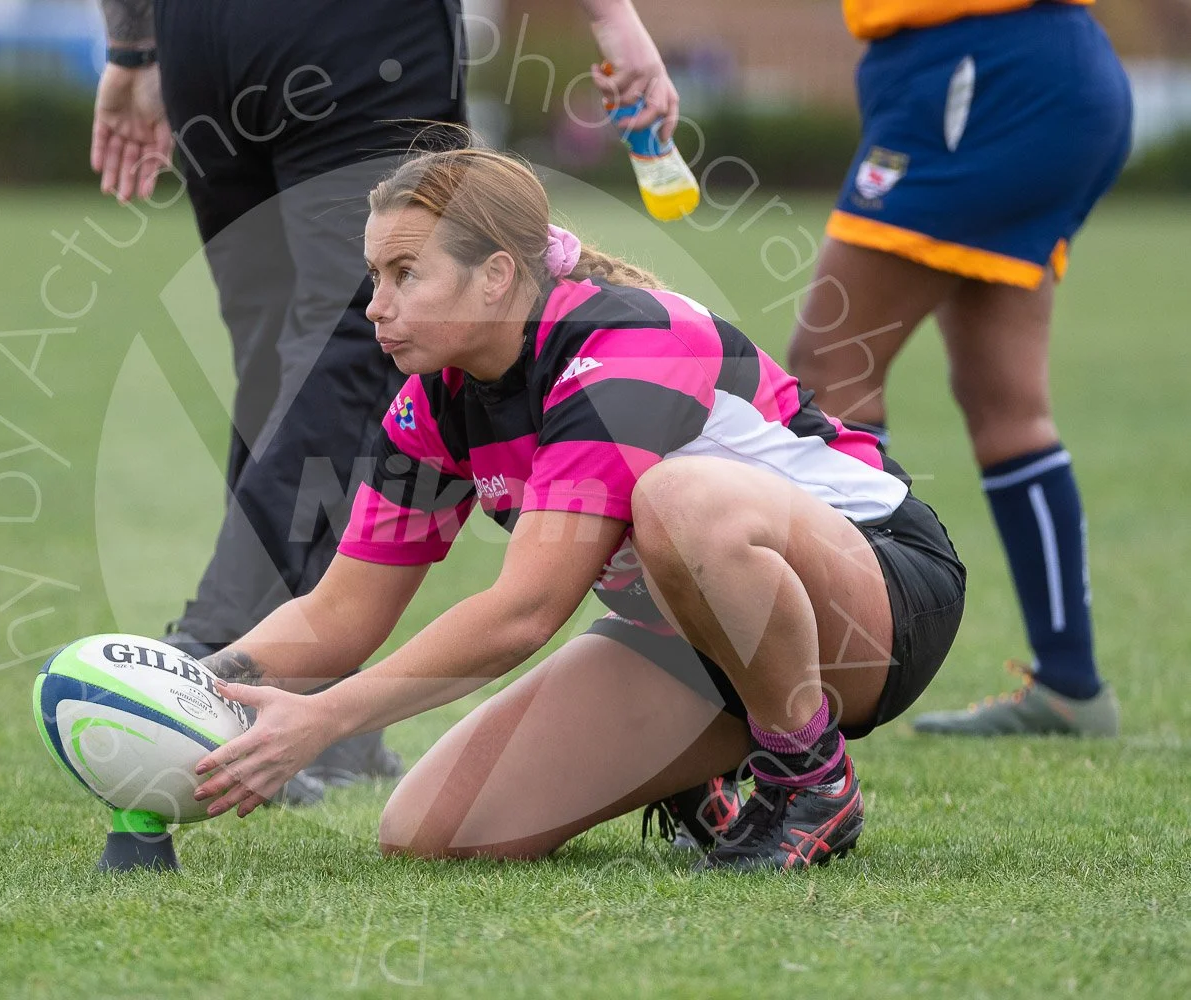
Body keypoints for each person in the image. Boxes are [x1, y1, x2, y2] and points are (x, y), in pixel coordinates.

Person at [182, 147, 966, 870]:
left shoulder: (624, 342)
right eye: (375, 275)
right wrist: (187, 683)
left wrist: (324, 719)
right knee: (429, 831)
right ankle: (695, 771)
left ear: (494, 276)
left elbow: (526, 611)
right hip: (697, 640)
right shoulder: (433, 402)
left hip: (886, 600)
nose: (375, 306)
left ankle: (811, 777)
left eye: (404, 274)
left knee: (678, 500)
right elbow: (341, 612)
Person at [87, 0, 687, 801]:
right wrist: (613, 20)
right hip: (352, 28)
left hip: (200, 38)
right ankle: (212, 659)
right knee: (351, 338)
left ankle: (314, 713)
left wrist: (134, 48)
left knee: (280, 363)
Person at [785, 0, 1131, 736]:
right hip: (1026, 67)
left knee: (829, 366)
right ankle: (1071, 685)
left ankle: (847, 676)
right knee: (1005, 402)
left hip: (976, 73)